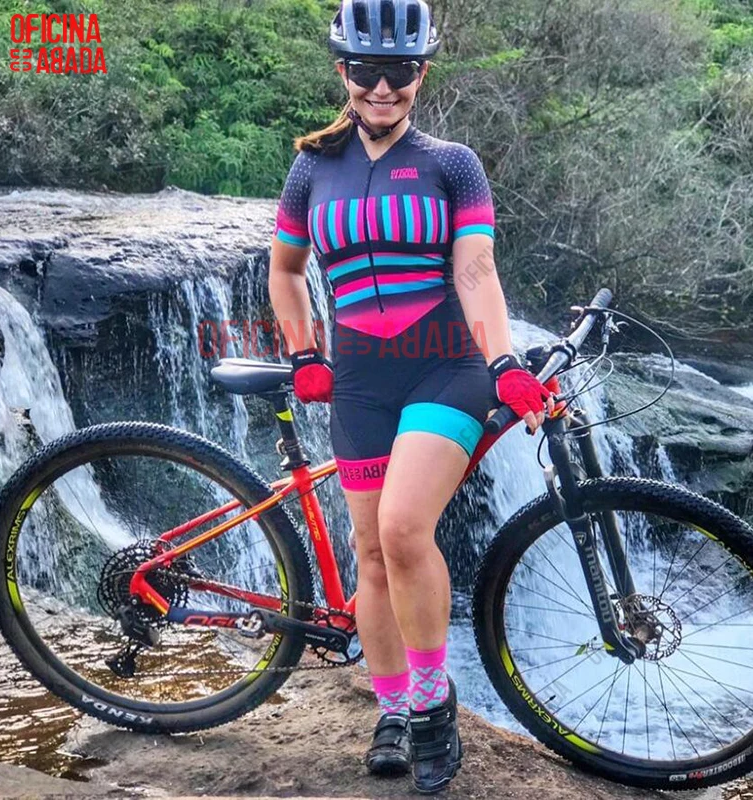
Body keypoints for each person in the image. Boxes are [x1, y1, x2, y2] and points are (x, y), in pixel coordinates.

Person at [268, 0, 553, 792]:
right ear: (344, 72)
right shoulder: (312, 167)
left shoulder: (452, 164)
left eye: (400, 70)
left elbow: (475, 271)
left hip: (445, 368)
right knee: (368, 552)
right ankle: (391, 709)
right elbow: (285, 270)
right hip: (359, 381)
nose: (383, 87)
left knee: (401, 529)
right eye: (367, 70)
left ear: (421, 74)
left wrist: (503, 362)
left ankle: (432, 706)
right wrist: (303, 352)